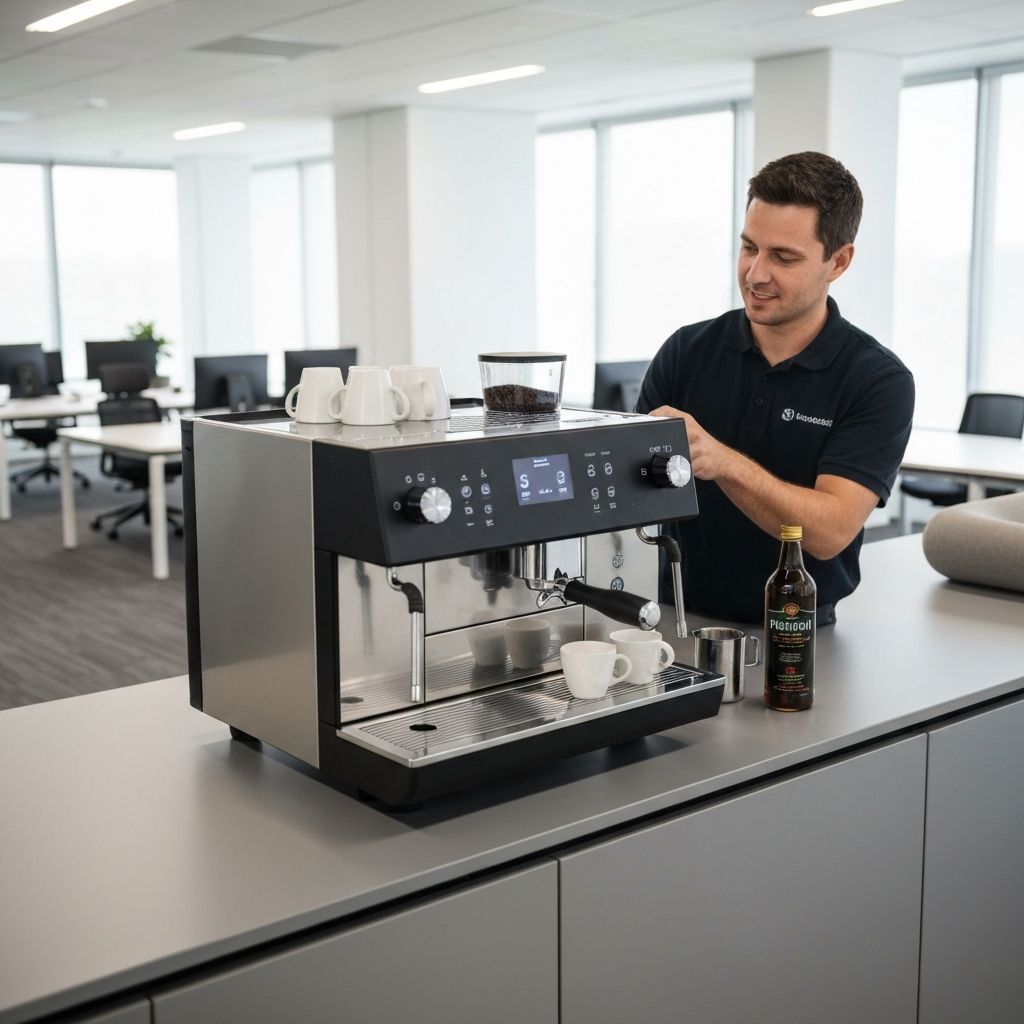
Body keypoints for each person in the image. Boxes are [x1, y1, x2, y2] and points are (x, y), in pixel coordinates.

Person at [637, 151, 914, 625]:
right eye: (750, 247)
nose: (755, 274)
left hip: (797, 632)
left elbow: (828, 532)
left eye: (783, 257)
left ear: (839, 261)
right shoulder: (686, 350)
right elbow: (632, 493)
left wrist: (723, 463)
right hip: (675, 616)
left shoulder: (878, 380)